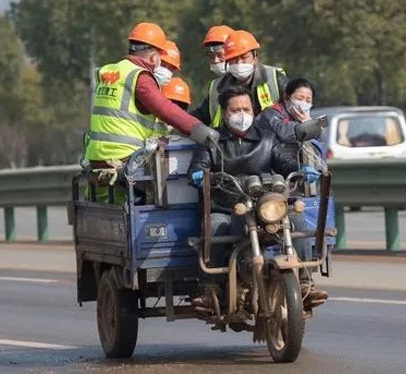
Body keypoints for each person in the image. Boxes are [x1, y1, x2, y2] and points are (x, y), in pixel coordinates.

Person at [187, 85, 328, 311]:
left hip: (265, 205)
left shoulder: (268, 138)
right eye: (235, 110)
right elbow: (200, 165)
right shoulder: (212, 142)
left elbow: (283, 161)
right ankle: (210, 289)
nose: (241, 114)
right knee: (213, 227)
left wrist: (301, 169)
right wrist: (198, 173)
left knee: (298, 222)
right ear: (224, 113)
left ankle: (304, 284)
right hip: (227, 208)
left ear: (253, 110)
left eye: (246, 109)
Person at [84, 22, 219, 202]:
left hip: (96, 156)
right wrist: (200, 130)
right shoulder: (140, 77)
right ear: (155, 57)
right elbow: (165, 109)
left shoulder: (110, 71)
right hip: (124, 158)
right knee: (172, 190)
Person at [191, 30, 289, 128]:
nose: (239, 62)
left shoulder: (275, 78)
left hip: (272, 140)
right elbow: (201, 115)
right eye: (234, 58)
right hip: (231, 141)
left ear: (255, 58)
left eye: (244, 57)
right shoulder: (217, 87)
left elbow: (295, 106)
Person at [255, 78, 324, 143]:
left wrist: (308, 121)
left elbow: (321, 139)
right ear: (286, 98)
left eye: (308, 101)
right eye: (299, 99)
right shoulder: (270, 113)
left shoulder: (303, 118)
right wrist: (307, 125)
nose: (303, 103)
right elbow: (283, 133)